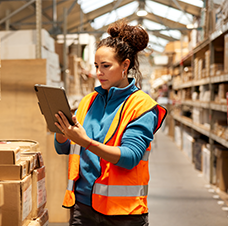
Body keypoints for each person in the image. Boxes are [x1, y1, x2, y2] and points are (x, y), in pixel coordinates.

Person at [53, 19, 167, 226]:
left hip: (122, 213)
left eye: (105, 66)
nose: (98, 73)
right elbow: (63, 148)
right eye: (96, 66)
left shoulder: (142, 106)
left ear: (125, 65)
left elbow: (130, 157)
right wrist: (62, 132)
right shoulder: (88, 101)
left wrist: (86, 141)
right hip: (82, 206)